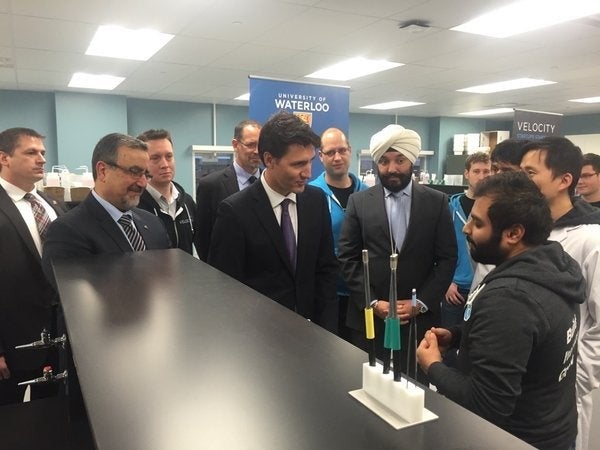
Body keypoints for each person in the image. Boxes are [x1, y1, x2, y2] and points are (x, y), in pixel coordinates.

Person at [417, 171, 584, 450]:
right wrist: (461, 335)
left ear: (514, 233)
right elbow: (528, 340)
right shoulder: (551, 266)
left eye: (478, 223)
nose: (466, 229)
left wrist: (433, 365)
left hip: (514, 439)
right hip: (553, 428)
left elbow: (486, 406)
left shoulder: (511, 298)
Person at [338, 124, 457, 382]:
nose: (392, 168)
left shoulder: (436, 202)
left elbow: (447, 258)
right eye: (384, 161)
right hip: (371, 317)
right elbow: (347, 258)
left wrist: (420, 303)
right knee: (366, 383)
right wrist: (373, 302)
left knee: (415, 387)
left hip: (419, 321)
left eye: (399, 160)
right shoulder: (358, 202)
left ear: (411, 161)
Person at [208, 111, 338, 332]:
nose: (307, 173)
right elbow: (225, 289)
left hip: (312, 333)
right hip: (258, 338)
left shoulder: (315, 201)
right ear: (269, 160)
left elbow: (325, 270)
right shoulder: (235, 212)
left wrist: (327, 330)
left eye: (310, 162)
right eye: (297, 164)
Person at [520, 137, 600, 450]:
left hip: (565, 385)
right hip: (523, 378)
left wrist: (577, 378)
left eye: (530, 173)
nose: (520, 180)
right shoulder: (524, 230)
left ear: (564, 180)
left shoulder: (591, 239)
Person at [43, 133, 171, 279]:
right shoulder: (68, 231)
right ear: (102, 171)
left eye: (146, 175)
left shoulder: (153, 223)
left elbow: (164, 279)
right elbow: (72, 297)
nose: (142, 183)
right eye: (134, 172)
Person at [0, 127, 65, 405]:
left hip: (58, 333)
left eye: (42, 153)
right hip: (13, 337)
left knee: (50, 408)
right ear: (4, 158)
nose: (40, 159)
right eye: (30, 153)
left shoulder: (50, 204)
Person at [309, 127, 367, 339]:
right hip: (326, 294)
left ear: (350, 151)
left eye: (342, 150)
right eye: (331, 152)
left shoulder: (367, 194)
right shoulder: (309, 194)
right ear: (320, 156)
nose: (337, 157)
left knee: (360, 355)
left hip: (362, 294)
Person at [194, 119, 261, 261]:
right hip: (226, 272)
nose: (256, 151)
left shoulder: (269, 183)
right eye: (250, 145)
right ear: (235, 145)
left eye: (260, 145)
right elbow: (202, 238)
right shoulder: (211, 185)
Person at [443, 152, 491, 328]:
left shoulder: (496, 208)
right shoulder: (450, 208)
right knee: (448, 341)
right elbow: (440, 248)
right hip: (456, 288)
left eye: (486, 171)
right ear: (466, 174)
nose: (482, 176)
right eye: (476, 171)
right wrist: (446, 283)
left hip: (486, 286)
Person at [136, 129, 197, 255]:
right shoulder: (134, 206)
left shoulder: (187, 202)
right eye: (155, 158)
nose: (165, 164)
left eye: (169, 156)